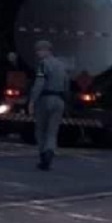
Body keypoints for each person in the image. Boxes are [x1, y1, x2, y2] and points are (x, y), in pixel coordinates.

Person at [28, 40, 72, 171]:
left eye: (39, 50)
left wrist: (32, 101)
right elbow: (67, 84)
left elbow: (39, 83)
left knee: (41, 129)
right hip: (59, 100)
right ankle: (50, 151)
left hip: (45, 100)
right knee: (52, 131)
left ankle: (43, 155)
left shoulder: (43, 65)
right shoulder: (62, 65)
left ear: (47, 50)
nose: (37, 53)